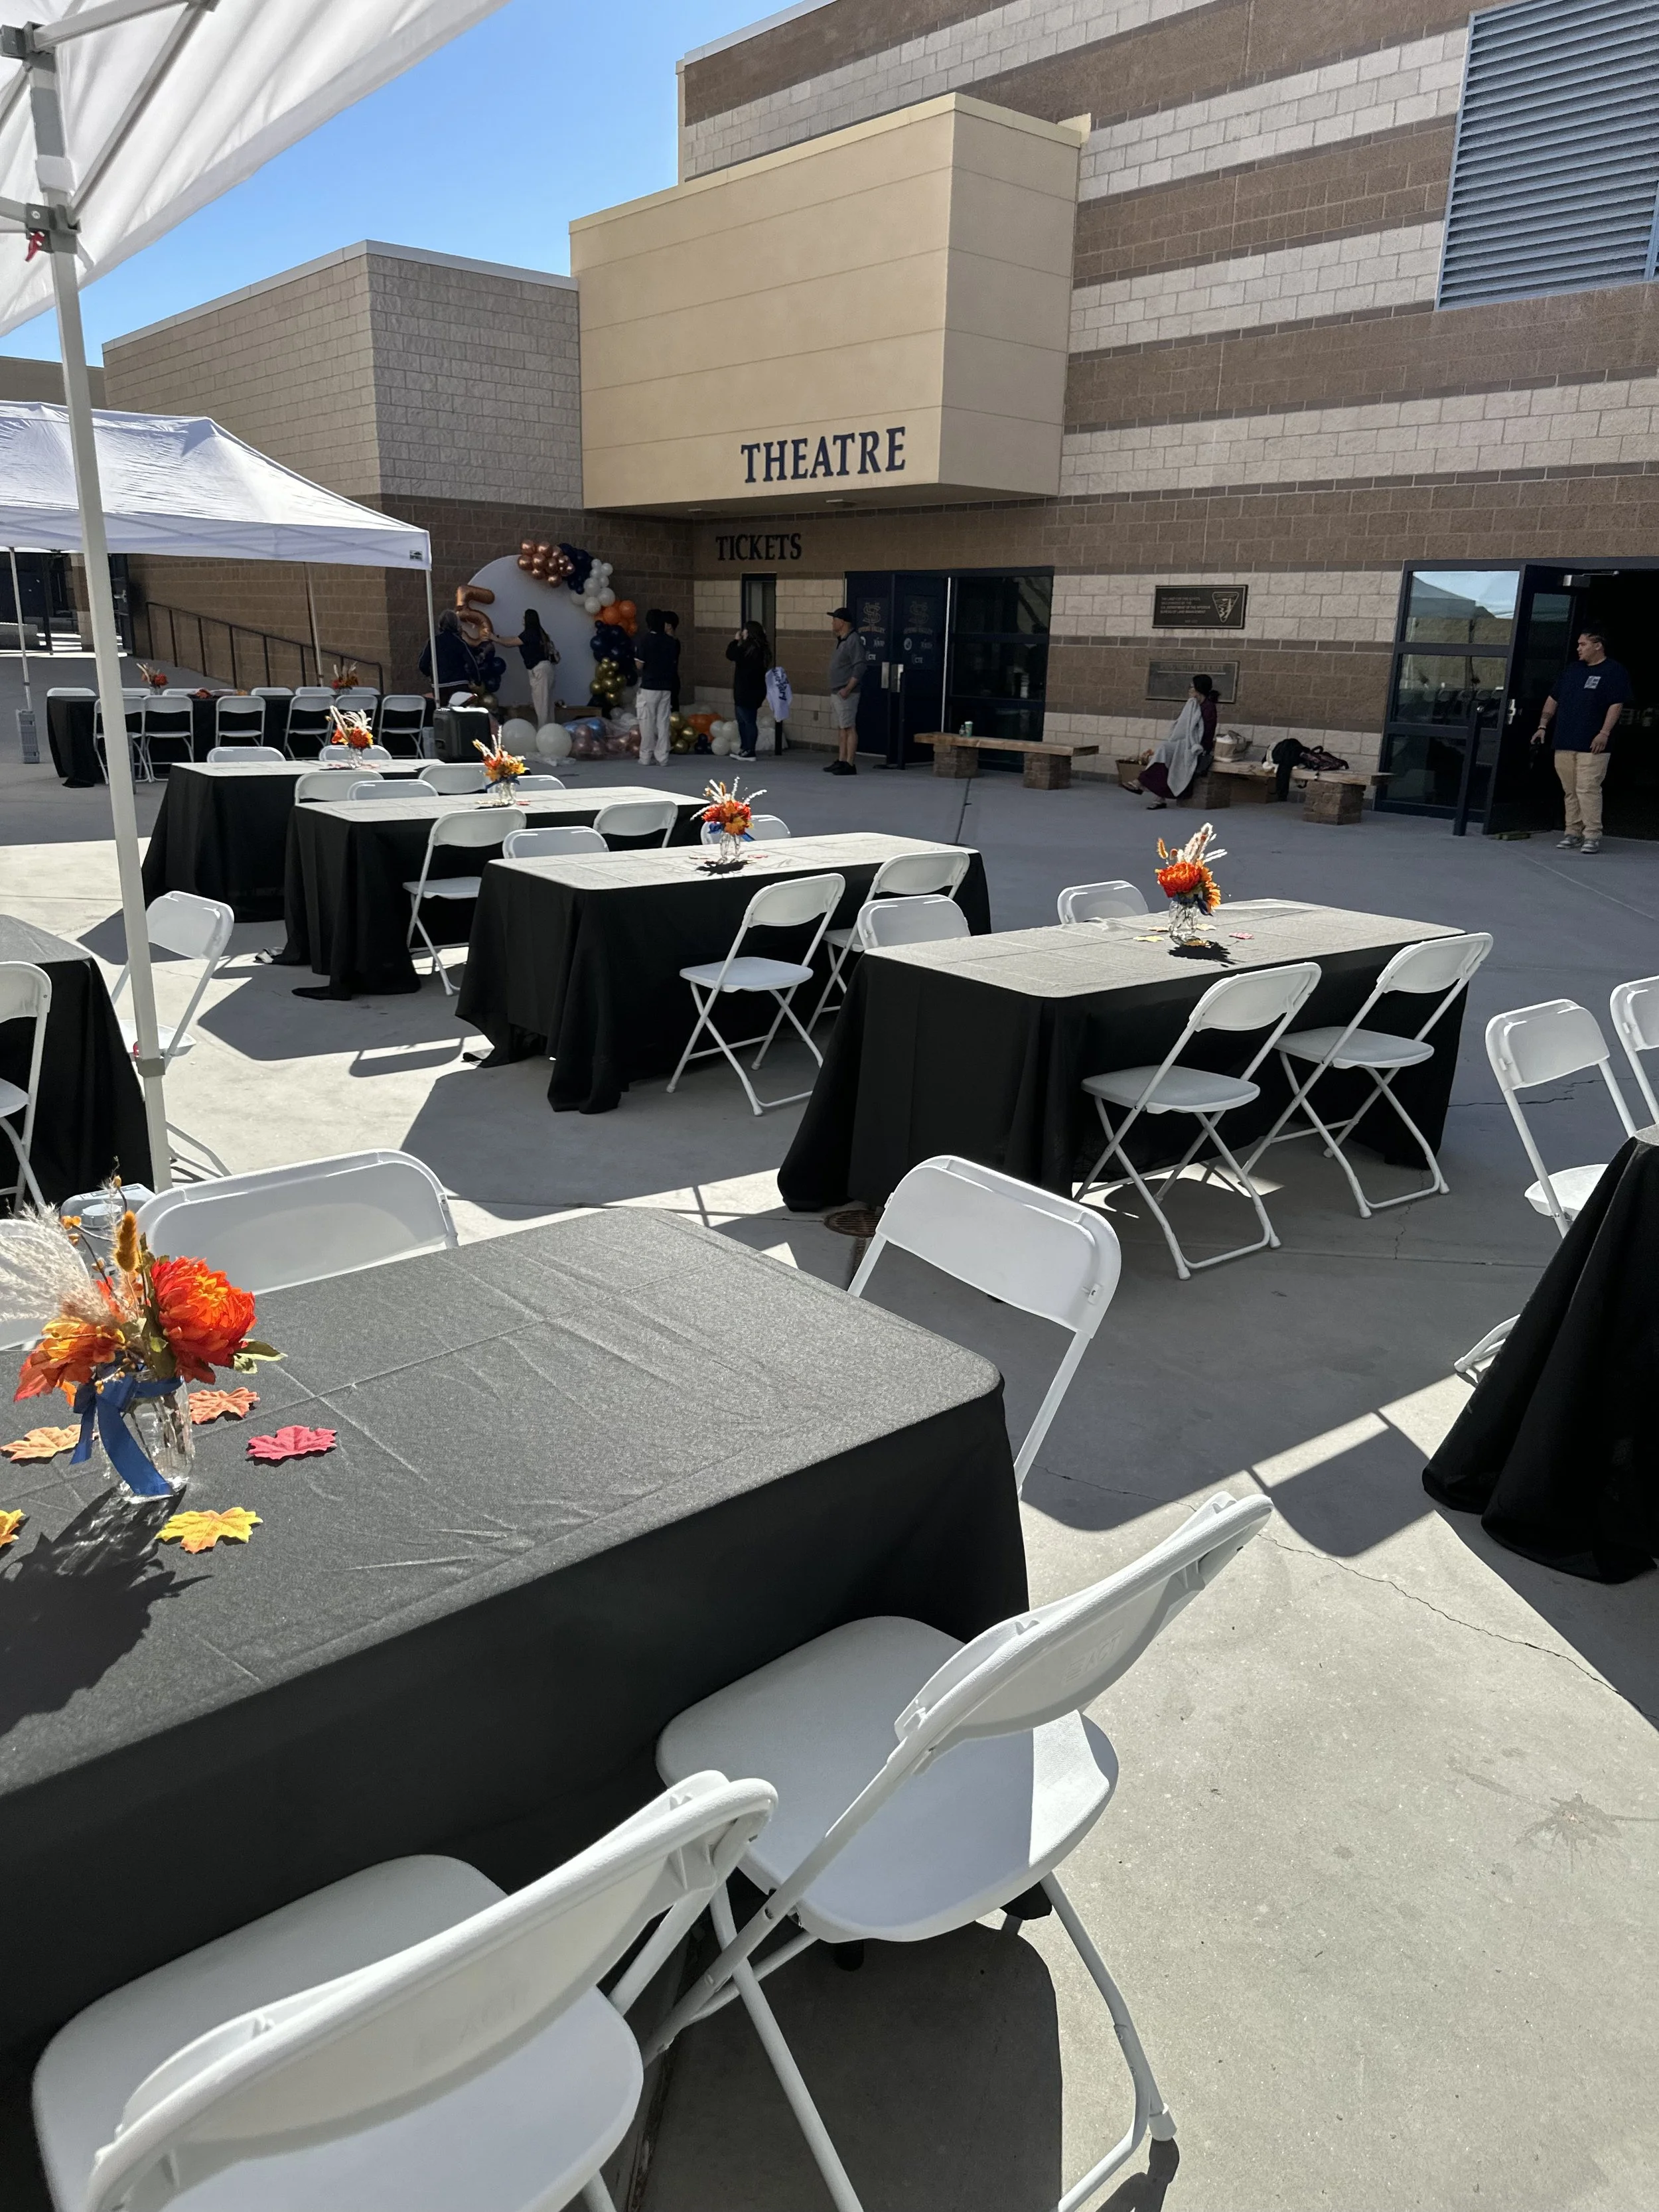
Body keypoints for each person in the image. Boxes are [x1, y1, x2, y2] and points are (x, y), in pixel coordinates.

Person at [1532, 627, 1630, 855]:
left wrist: (1604, 733)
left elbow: (1616, 704)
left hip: (1593, 744)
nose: (1578, 649)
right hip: (1565, 740)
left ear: (1598, 646)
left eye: (1583, 644)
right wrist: (1542, 726)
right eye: (1578, 644)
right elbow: (1552, 699)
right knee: (1571, 790)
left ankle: (1592, 835)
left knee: (1588, 788)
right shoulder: (1572, 670)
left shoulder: (1614, 671)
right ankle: (1572, 832)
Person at [1137, 674, 1217, 807]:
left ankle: (1149, 789)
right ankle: (1152, 791)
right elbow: (1183, 726)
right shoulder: (1192, 705)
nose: (1189, 690)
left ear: (1198, 689)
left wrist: (1199, 748)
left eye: (1191, 687)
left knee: (1172, 756)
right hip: (1183, 744)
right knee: (1164, 751)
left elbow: (1207, 732)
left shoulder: (1209, 708)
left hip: (1196, 748)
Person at [825, 605, 868, 775]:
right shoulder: (842, 640)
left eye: (834, 620)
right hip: (837, 691)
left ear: (842, 622)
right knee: (842, 727)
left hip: (846, 692)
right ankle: (841, 760)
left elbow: (860, 666)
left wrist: (848, 688)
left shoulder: (853, 640)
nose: (832, 623)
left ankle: (850, 763)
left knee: (849, 727)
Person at [635, 607, 679, 768]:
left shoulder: (645, 640)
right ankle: (663, 757)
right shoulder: (671, 642)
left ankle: (646, 756)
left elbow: (640, 665)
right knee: (663, 722)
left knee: (647, 723)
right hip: (666, 687)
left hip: (649, 687)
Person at [726, 619, 770, 759]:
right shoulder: (761, 649)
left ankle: (749, 749)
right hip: (756, 689)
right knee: (745, 720)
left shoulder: (748, 648)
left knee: (747, 721)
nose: (743, 632)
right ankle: (745, 749)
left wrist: (735, 641)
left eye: (745, 630)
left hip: (745, 689)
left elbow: (731, 654)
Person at [418, 609, 477, 694]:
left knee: (442, 707)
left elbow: (422, 664)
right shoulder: (460, 643)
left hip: (440, 685)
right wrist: (477, 680)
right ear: (456, 625)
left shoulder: (433, 642)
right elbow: (472, 663)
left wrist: (431, 676)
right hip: (459, 683)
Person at [519, 609, 559, 726]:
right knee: (547, 704)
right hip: (547, 668)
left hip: (539, 670)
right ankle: (550, 729)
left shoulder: (529, 634)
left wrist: (495, 638)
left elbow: (511, 642)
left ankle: (544, 732)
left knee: (542, 705)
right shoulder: (542, 635)